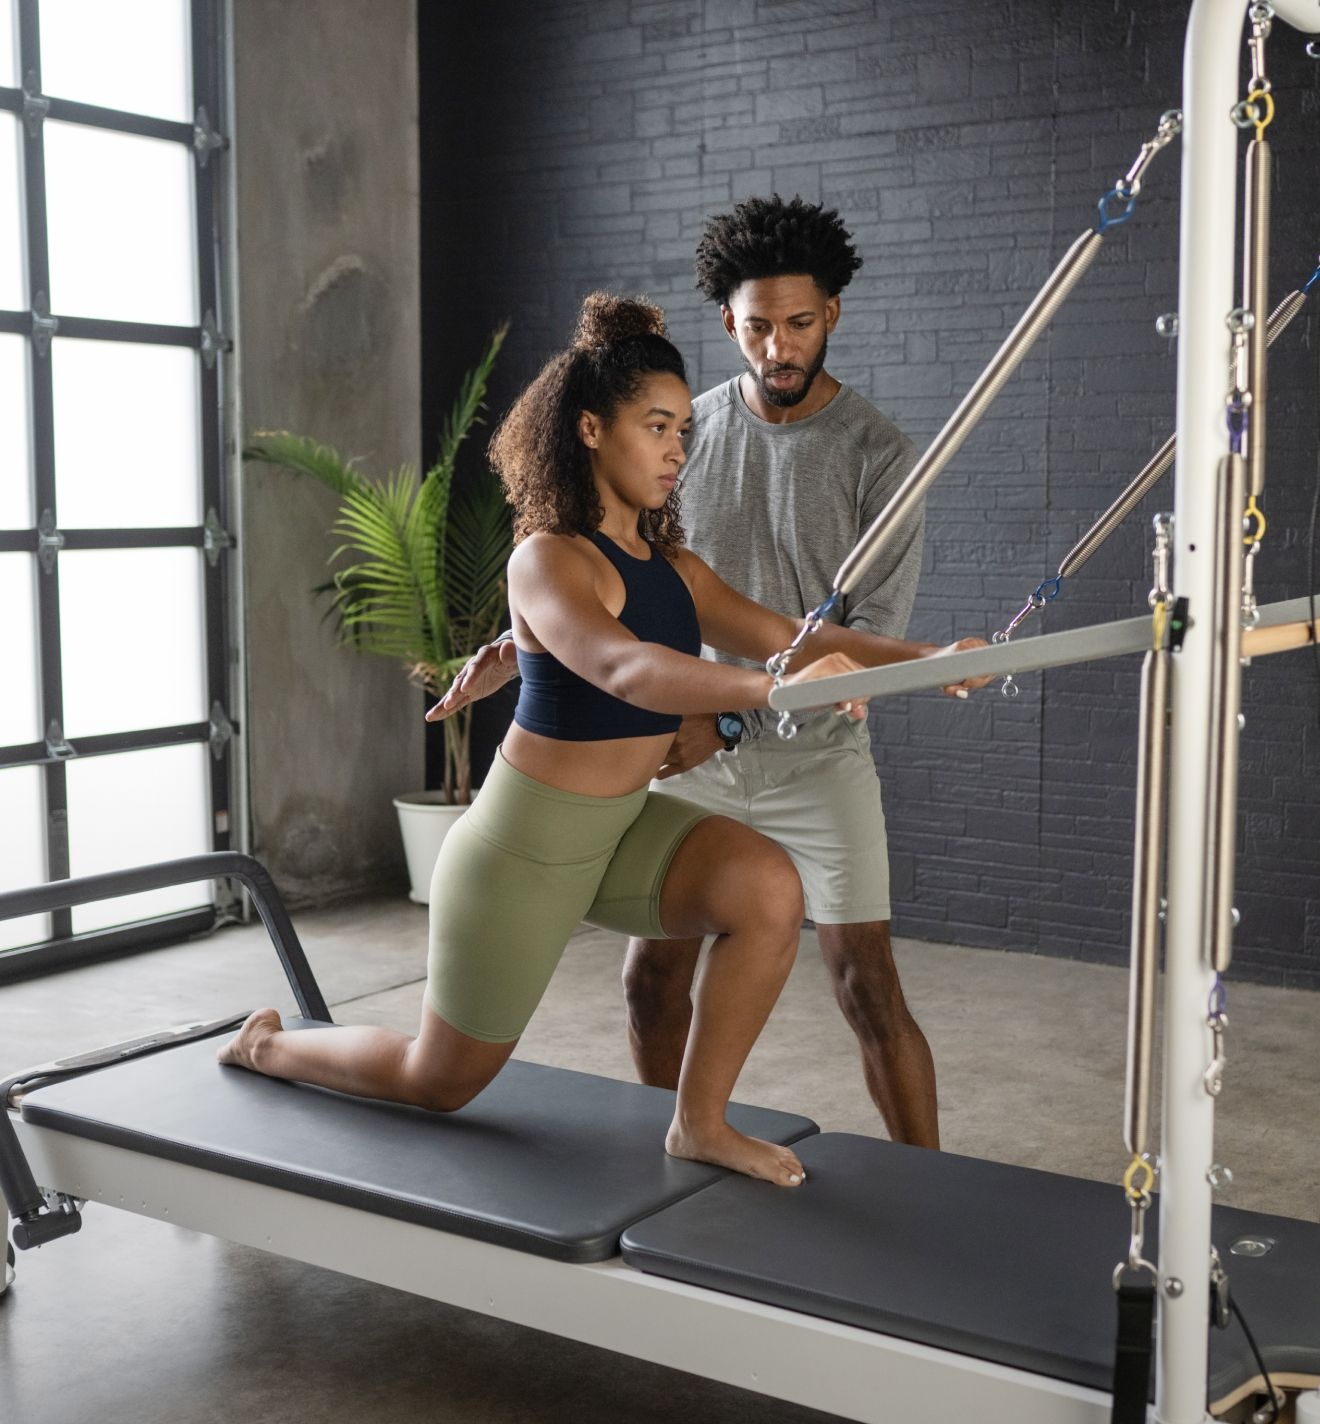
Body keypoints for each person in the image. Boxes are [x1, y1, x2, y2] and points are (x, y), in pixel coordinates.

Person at [219, 293, 978, 1188]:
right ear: (588, 429)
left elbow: (797, 638)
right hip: (519, 857)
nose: (674, 451)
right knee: (440, 1080)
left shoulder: (675, 568)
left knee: (767, 891)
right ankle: (268, 1049)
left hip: (619, 834)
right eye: (654, 426)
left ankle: (699, 1123)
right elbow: (627, 670)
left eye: (683, 431)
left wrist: (930, 658)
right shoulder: (548, 560)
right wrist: (768, 688)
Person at [437, 200, 982, 1151]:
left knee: (867, 984)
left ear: (833, 317)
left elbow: (829, 646)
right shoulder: (680, 428)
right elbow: (598, 572)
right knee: (651, 979)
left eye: (800, 324)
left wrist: (933, 662)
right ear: (728, 322)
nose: (779, 344)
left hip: (805, 746)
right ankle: (675, 1151)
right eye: (758, 324)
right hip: (691, 743)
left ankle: (930, 1184)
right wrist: (515, 645)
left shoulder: (881, 458)